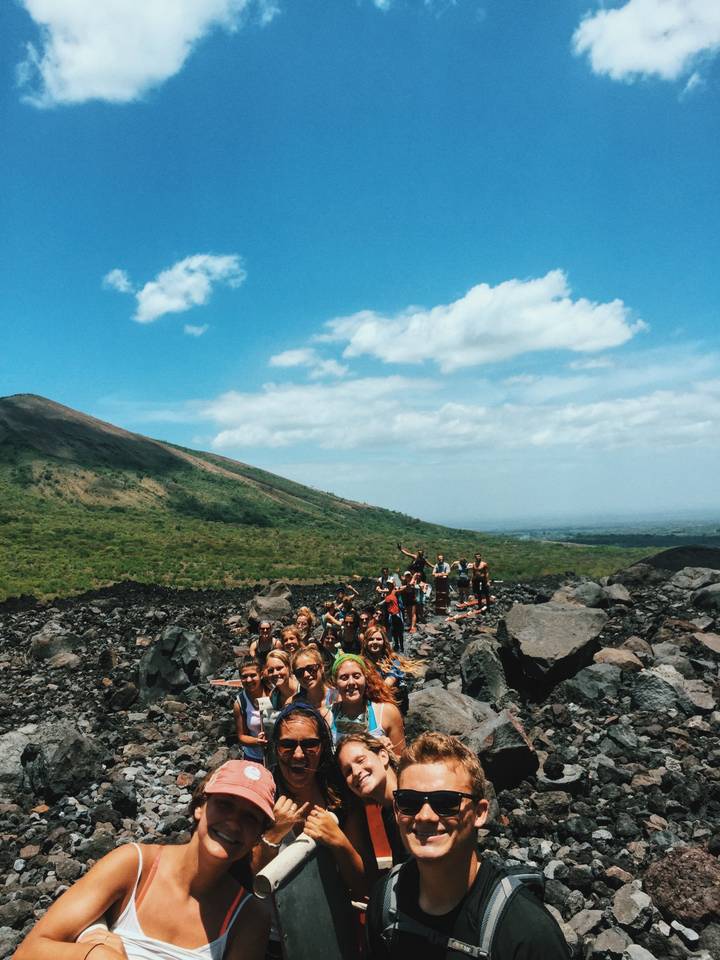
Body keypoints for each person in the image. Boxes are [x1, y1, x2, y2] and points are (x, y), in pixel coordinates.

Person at [15, 759, 275, 960]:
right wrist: (95, 954)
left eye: (250, 817)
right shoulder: (134, 866)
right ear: (199, 807)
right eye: (225, 804)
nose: (233, 822)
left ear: (257, 838)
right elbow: (29, 951)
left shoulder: (248, 917)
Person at [366, 732, 570, 960]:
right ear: (396, 811)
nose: (425, 816)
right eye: (409, 802)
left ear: (480, 813)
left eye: (446, 802)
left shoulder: (526, 932)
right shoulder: (385, 900)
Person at [254, 703, 376, 900]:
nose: (299, 754)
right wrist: (272, 835)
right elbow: (247, 883)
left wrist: (339, 841)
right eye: (288, 745)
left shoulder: (341, 796)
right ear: (275, 748)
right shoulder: (261, 794)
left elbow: (367, 886)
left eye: (310, 744)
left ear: (323, 747)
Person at [336, 732, 408, 868]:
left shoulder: (412, 801)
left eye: (360, 760)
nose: (356, 772)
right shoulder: (388, 812)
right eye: (348, 771)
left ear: (383, 756)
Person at [330, 653, 405, 753]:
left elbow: (402, 760)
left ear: (365, 679)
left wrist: (388, 753)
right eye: (344, 677)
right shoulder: (326, 716)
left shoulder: (387, 713)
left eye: (356, 676)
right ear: (335, 683)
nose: (351, 682)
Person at [360, 626, 422, 714]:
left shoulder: (394, 662)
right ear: (365, 642)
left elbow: (387, 685)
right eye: (371, 639)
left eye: (378, 639)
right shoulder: (360, 663)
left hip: (391, 706)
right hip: (368, 707)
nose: (375, 642)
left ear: (384, 642)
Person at [233, 657, 276, 763]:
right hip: (254, 757)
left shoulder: (275, 694)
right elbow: (241, 736)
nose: (248, 680)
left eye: (252, 675)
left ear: (261, 675)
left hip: (278, 755)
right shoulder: (240, 703)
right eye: (244, 677)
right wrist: (258, 741)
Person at [289, 645, 335, 723]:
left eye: (311, 668)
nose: (306, 675)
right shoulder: (295, 704)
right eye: (299, 672)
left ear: (322, 667)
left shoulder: (337, 697)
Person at [381, 579, 405, 652]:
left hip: (397, 613)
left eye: (390, 584)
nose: (389, 585)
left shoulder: (395, 591)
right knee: (394, 630)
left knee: (399, 631)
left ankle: (401, 646)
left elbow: (402, 589)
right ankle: (397, 645)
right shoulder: (387, 593)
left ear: (393, 584)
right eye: (388, 584)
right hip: (390, 614)